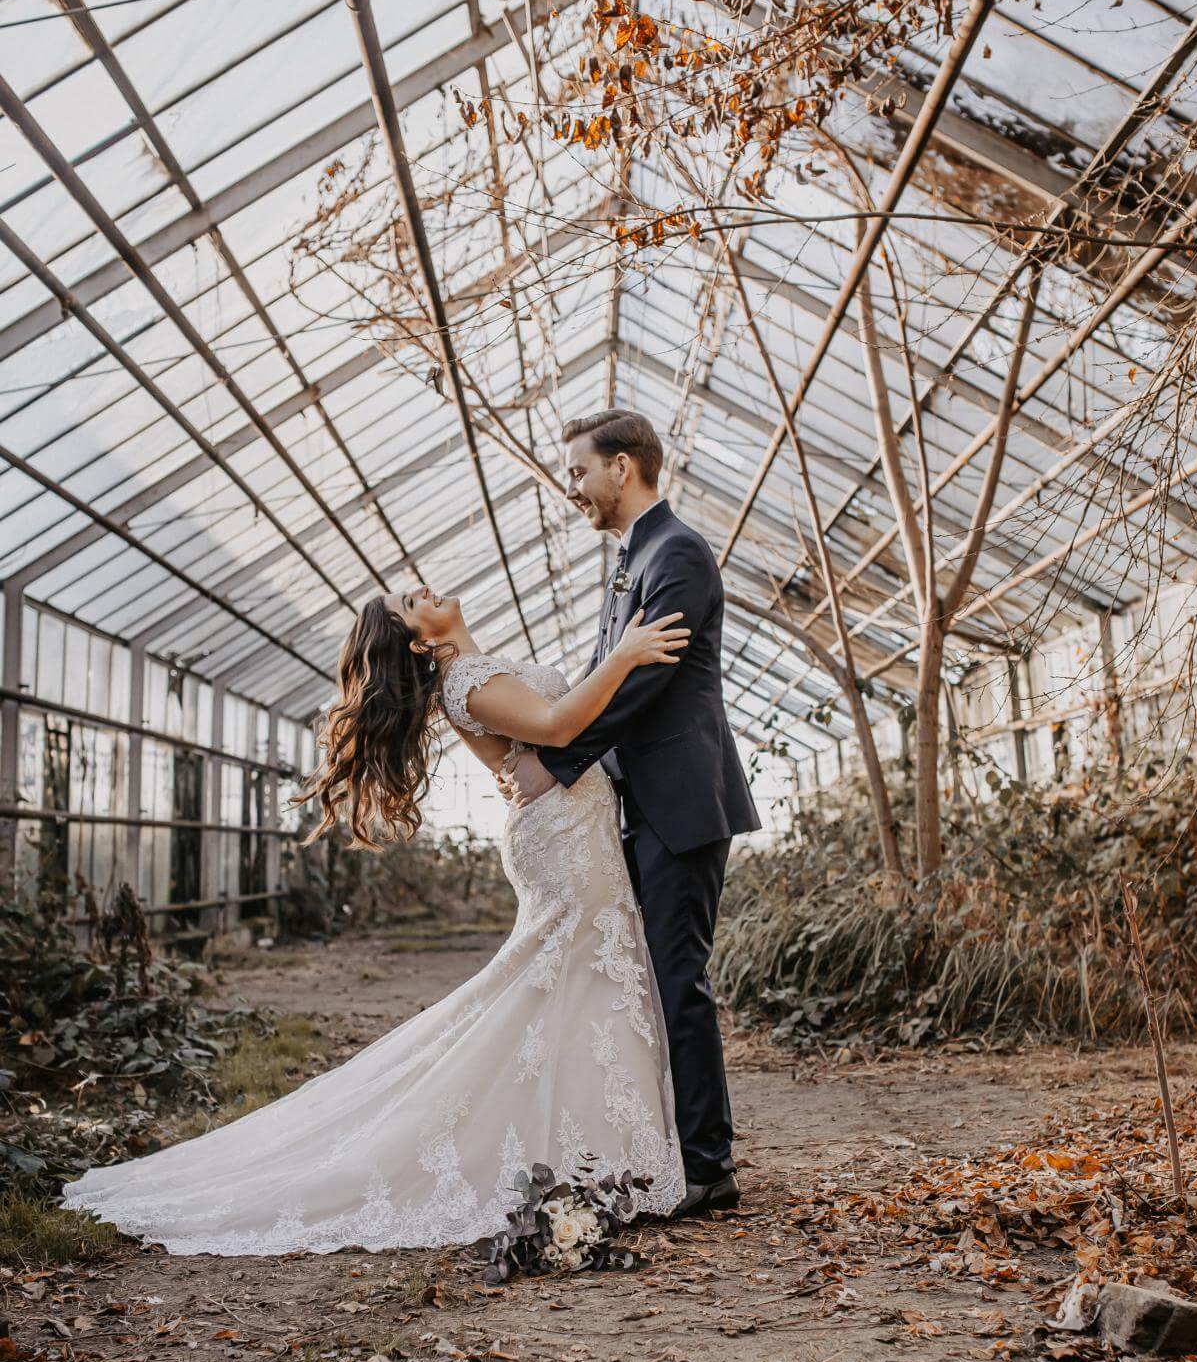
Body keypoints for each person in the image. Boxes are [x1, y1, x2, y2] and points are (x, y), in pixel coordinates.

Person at [60, 588, 690, 1255]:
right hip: (565, 838)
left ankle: (599, 1145)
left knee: (573, 985)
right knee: (573, 979)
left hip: (566, 824)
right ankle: (594, 1153)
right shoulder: (466, 679)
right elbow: (560, 726)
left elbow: (518, 757)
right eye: (409, 602)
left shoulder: (472, 669)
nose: (423, 590)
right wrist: (622, 657)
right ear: (420, 641)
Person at [502, 409, 761, 1216]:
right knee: (649, 977)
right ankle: (671, 1150)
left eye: (578, 472)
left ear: (622, 468)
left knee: (678, 979)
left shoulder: (675, 551)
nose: (570, 488)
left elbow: (645, 685)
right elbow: (599, 672)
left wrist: (562, 760)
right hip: (639, 801)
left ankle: (708, 1167)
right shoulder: (634, 558)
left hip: (682, 802)